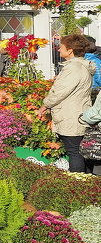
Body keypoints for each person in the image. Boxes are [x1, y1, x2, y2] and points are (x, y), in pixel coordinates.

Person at [43, 34, 95, 173]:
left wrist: (45, 104)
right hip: (79, 114)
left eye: (61, 47)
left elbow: (59, 91)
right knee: (82, 153)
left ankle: (78, 186)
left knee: (74, 152)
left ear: (70, 50)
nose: (58, 50)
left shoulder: (73, 68)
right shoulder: (81, 66)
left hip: (71, 116)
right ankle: (87, 184)